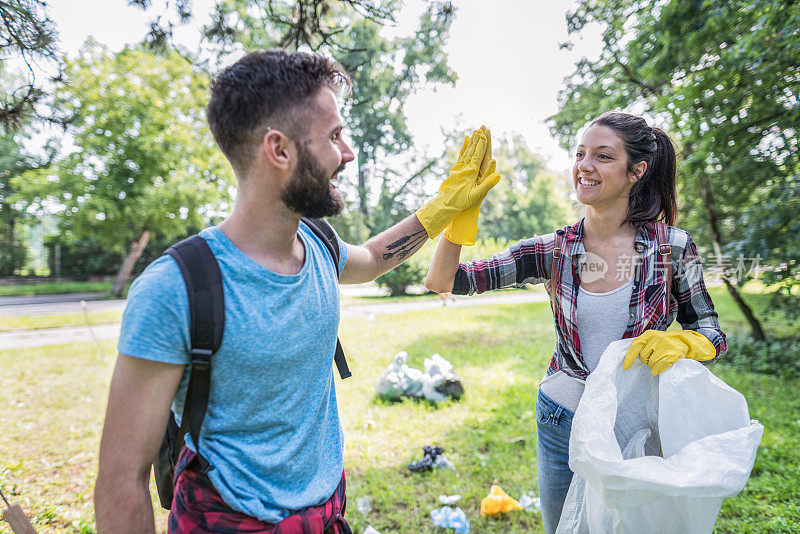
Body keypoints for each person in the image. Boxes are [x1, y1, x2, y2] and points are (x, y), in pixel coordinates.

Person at [94, 50, 500, 533]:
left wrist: (440, 210)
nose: (348, 153)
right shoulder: (175, 289)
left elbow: (371, 260)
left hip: (327, 514)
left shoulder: (319, 243)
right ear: (279, 150)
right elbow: (122, 478)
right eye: (334, 137)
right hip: (227, 521)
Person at [425, 111, 727, 533]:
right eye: (580, 153)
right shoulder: (552, 249)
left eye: (603, 156)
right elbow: (443, 281)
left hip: (635, 422)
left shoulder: (672, 248)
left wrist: (690, 344)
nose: (585, 165)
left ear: (636, 171)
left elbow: (711, 330)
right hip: (561, 419)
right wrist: (459, 216)